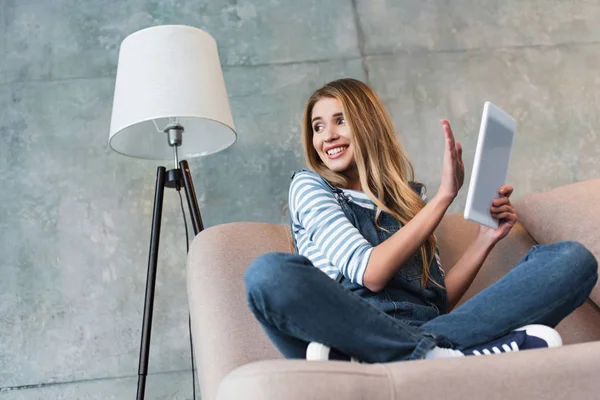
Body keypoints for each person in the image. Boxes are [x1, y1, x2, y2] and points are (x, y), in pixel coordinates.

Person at [244, 78, 598, 363]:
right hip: (353, 327)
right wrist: (445, 198)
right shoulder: (309, 186)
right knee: (268, 274)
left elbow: (436, 302)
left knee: (572, 260)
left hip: (432, 327)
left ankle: (423, 355)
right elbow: (371, 273)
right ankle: (442, 356)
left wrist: (484, 240)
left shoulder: (408, 201)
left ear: (368, 125)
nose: (327, 136)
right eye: (317, 127)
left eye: (340, 121)